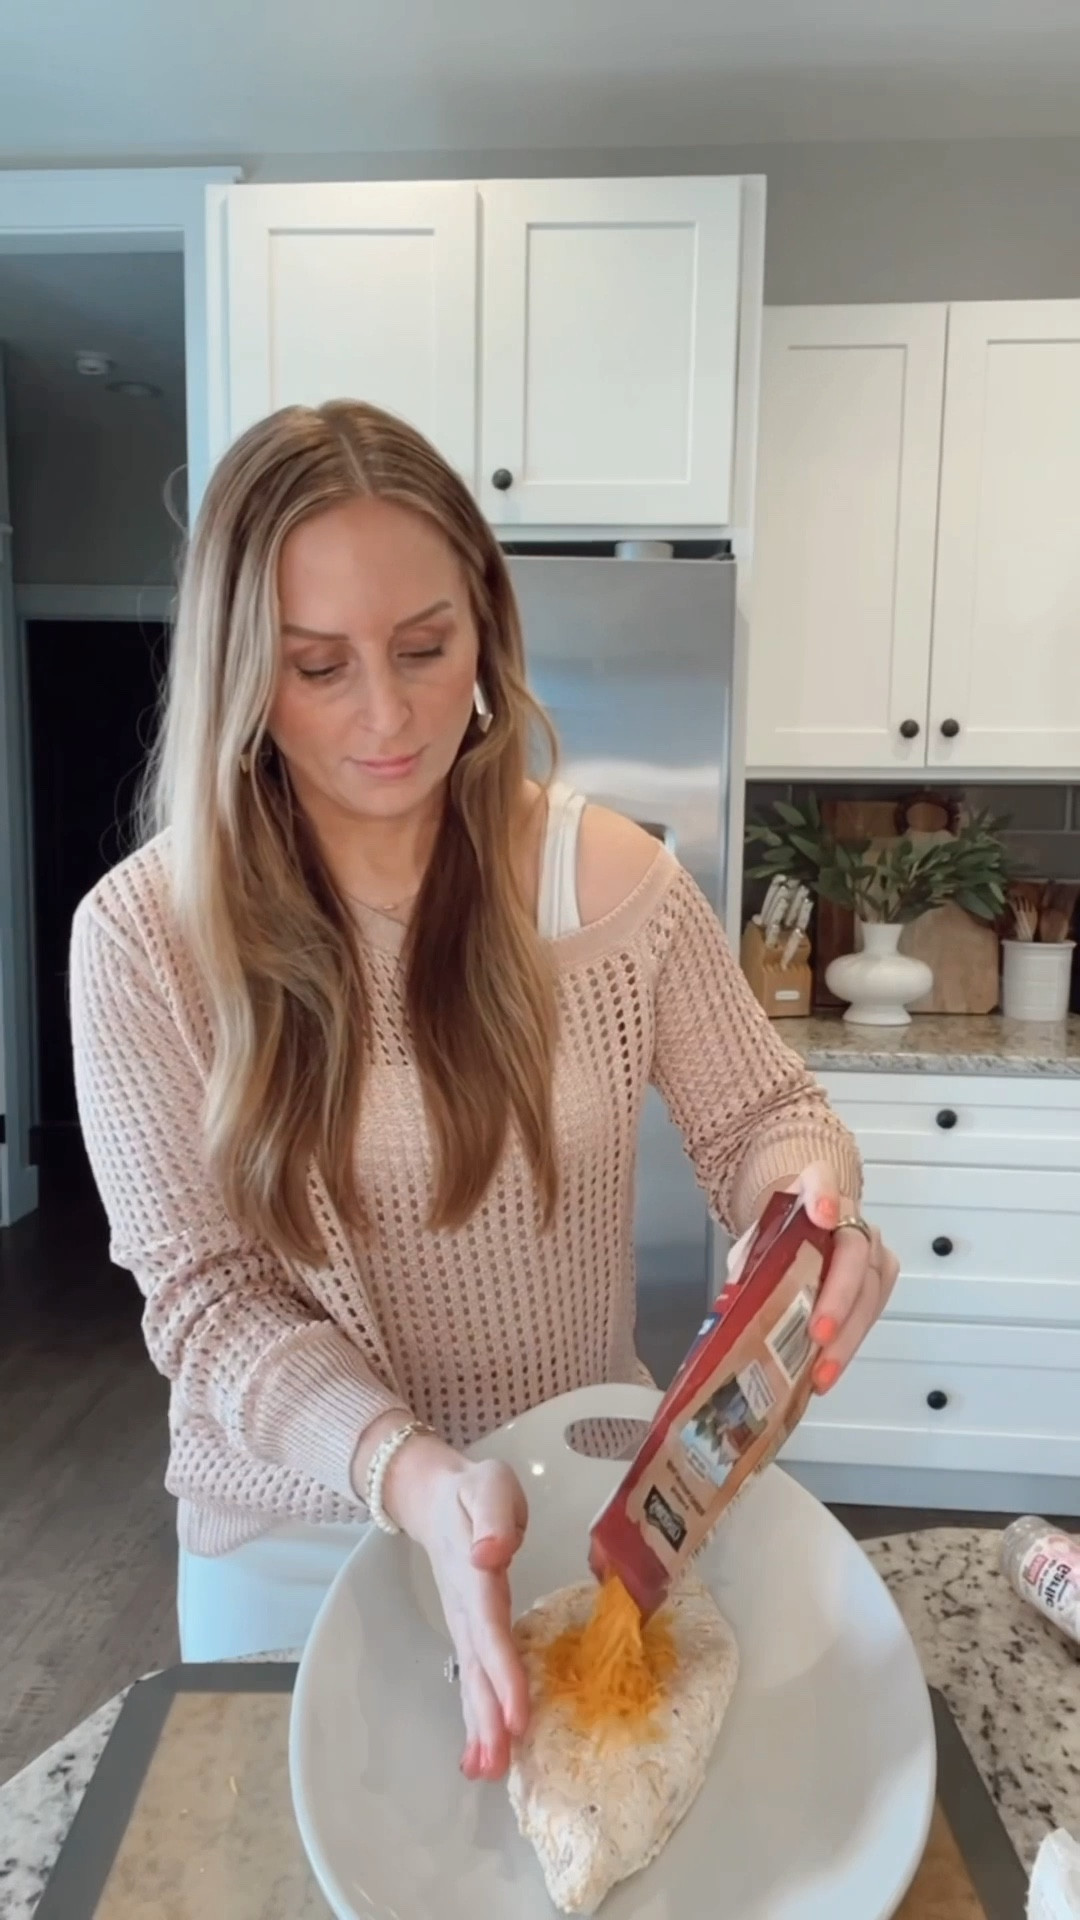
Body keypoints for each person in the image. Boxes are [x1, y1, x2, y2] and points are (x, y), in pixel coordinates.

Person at [70, 400, 898, 1784]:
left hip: (579, 1519)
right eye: (317, 667)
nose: (387, 717)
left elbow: (768, 1122)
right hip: (291, 1552)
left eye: (424, 648)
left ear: (486, 626)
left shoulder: (614, 886)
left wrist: (809, 1216)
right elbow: (209, 1306)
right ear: (236, 673)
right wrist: (417, 1477)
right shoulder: (143, 940)